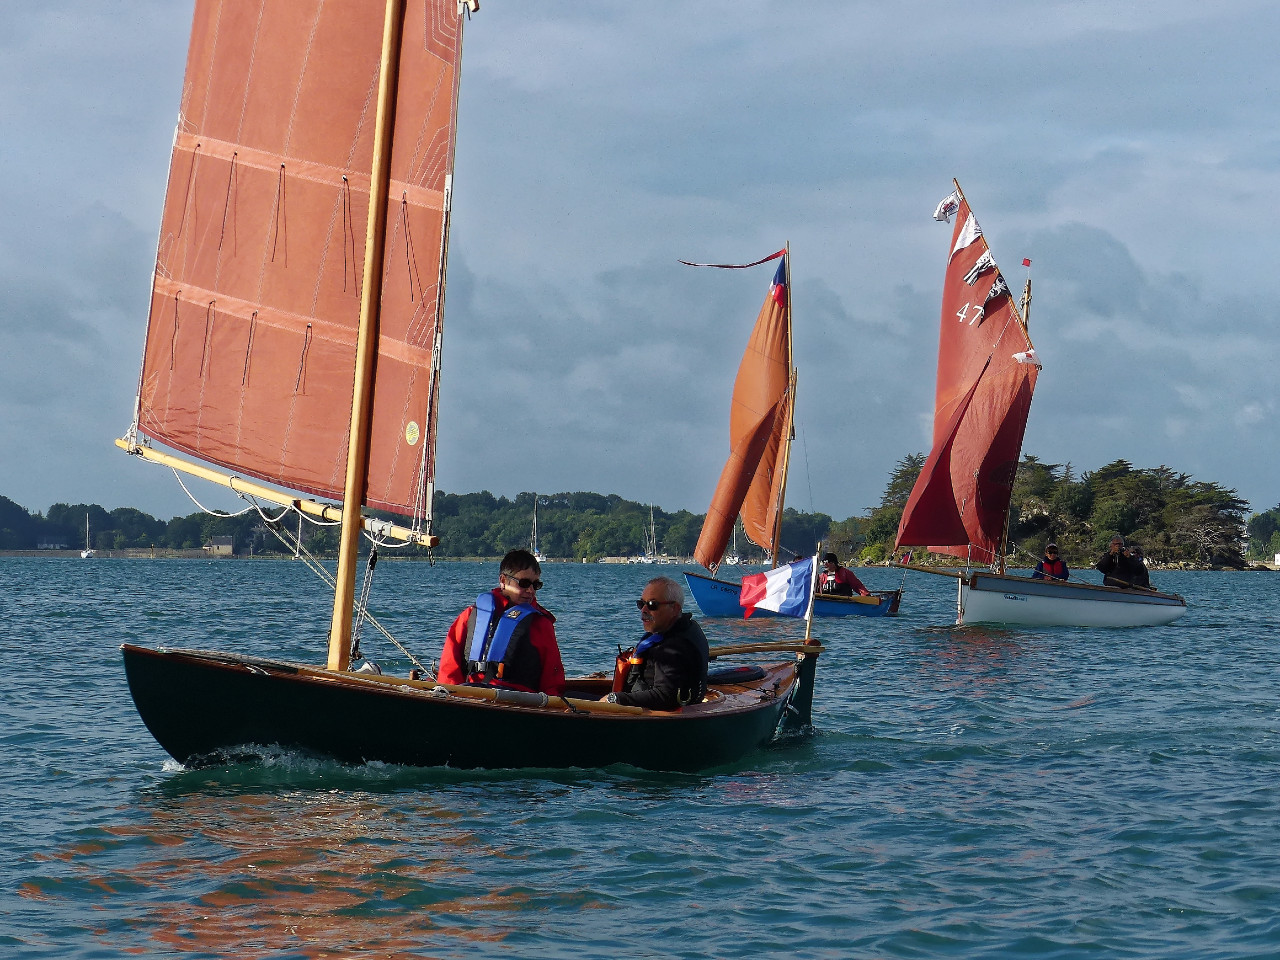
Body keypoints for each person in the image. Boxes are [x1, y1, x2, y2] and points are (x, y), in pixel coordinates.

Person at [438, 549, 566, 696]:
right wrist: (452, 697)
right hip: (470, 695)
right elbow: (449, 665)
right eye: (524, 583)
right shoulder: (472, 614)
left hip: (519, 701)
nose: (530, 590)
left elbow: (552, 679)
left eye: (536, 585)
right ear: (503, 581)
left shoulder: (541, 623)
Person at [602, 576, 709, 710]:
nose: (644, 610)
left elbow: (664, 696)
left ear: (675, 608)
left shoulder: (673, 647)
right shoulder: (686, 628)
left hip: (651, 720)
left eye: (652, 605)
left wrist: (615, 699)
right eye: (641, 604)